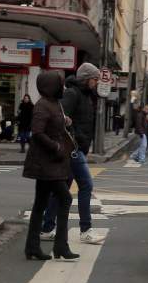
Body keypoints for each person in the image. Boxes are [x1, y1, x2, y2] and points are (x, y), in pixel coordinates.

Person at [41, 63, 105, 245]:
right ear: (86, 78)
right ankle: (86, 230)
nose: (96, 83)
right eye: (94, 79)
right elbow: (61, 119)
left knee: (62, 190)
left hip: (78, 148)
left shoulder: (86, 95)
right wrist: (76, 139)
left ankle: (46, 228)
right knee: (86, 185)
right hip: (73, 149)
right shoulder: (72, 93)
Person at [23, 70, 79, 262]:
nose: (62, 87)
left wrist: (65, 122)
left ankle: (33, 247)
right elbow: (37, 132)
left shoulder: (54, 104)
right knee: (65, 198)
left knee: (40, 203)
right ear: (50, 86)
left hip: (53, 162)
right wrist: (56, 146)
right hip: (46, 162)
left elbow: (52, 125)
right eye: (59, 84)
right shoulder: (42, 106)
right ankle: (60, 246)